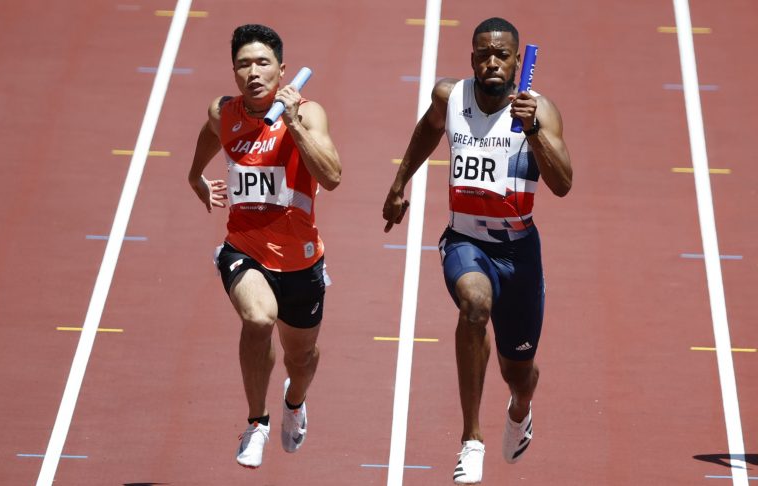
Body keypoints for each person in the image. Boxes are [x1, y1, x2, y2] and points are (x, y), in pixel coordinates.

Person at [382, 17, 572, 484]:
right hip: (466, 242)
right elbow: (427, 131)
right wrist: (399, 182)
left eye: (502, 54)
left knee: (518, 372)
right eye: (483, 54)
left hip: (519, 254)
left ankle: (520, 408)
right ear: (472, 59)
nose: (492, 61)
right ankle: (471, 439)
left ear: (516, 60)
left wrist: (532, 131)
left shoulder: (538, 110)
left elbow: (563, 183)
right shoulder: (451, 97)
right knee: (474, 304)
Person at [187, 24, 341, 469]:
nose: (253, 72)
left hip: (301, 261)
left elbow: (331, 176)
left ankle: (295, 403)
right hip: (245, 248)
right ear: (233, 72)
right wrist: (196, 176)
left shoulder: (308, 114)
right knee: (258, 317)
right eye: (243, 64)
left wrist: (292, 123)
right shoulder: (225, 112)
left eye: (262, 63)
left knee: (302, 358)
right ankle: (257, 423)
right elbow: (208, 136)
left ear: (281, 69)